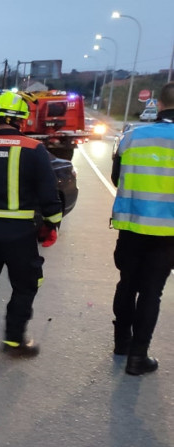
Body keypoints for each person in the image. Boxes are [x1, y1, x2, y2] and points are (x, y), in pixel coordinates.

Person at [0, 91, 63, 360]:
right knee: (26, 285)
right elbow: (49, 194)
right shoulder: (33, 149)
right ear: (20, 121)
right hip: (19, 234)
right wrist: (52, 224)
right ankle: (15, 341)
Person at [109, 81, 174, 376]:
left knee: (127, 284)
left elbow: (116, 177)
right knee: (151, 293)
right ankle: (138, 357)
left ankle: (121, 343)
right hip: (166, 234)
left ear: (159, 104)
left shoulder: (132, 136)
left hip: (130, 225)